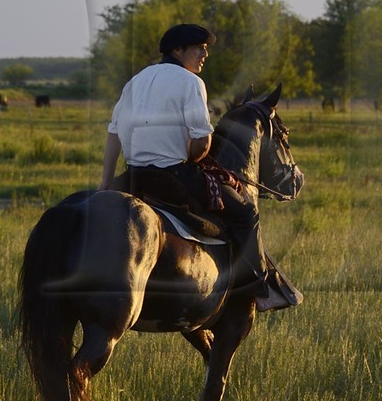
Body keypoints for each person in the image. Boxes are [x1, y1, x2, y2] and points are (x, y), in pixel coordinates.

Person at [101, 23, 300, 311]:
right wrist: (197, 155)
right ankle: (257, 289)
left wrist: (106, 181)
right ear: (178, 50)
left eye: (205, 49)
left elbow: (114, 132)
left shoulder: (136, 81)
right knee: (245, 211)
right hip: (172, 175)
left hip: (132, 177)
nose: (204, 54)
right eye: (199, 48)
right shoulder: (191, 82)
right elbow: (202, 143)